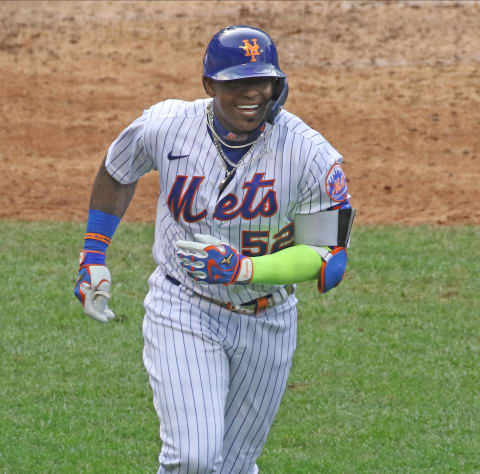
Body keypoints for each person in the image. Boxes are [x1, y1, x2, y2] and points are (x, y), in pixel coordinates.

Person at [74, 25, 355, 474]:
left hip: (269, 322)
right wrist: (93, 254)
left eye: (261, 81)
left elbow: (330, 259)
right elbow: (117, 168)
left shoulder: (309, 153)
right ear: (210, 86)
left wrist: (245, 269)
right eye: (236, 83)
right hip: (183, 305)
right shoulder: (166, 126)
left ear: (277, 84)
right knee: (194, 458)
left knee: (235, 467)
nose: (252, 93)